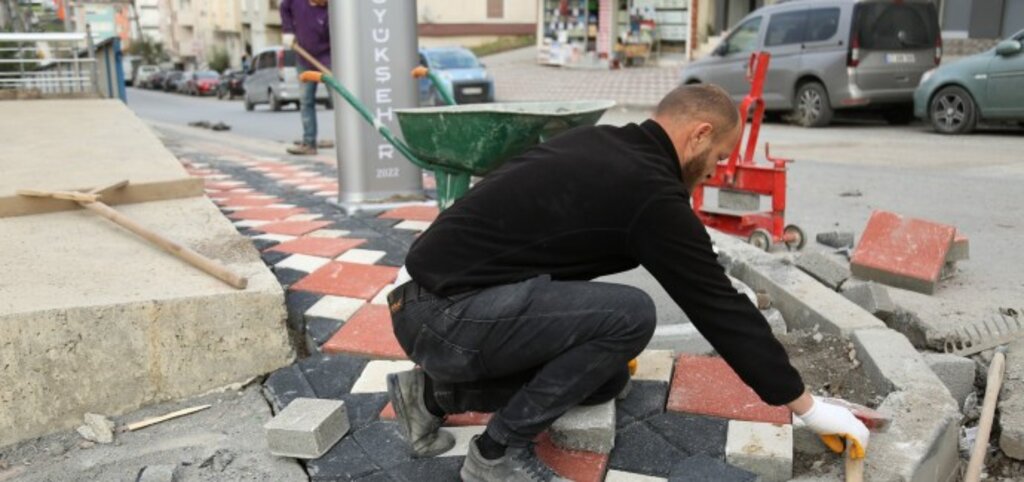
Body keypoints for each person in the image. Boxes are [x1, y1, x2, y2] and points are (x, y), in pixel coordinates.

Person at [385, 84, 870, 482]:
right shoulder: (650, 191)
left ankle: (431, 396)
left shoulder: (610, 147)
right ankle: (494, 455)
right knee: (632, 316)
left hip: (431, 300)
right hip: (441, 314)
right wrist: (808, 408)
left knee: (605, 377)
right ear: (699, 134)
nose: (714, 172)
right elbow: (720, 309)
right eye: (718, 157)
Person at [280, 0, 330, 156]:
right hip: (304, 58)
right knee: (306, 101)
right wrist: (288, 31)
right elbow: (284, 6)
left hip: (327, 58)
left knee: (339, 100)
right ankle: (309, 143)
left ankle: (349, 141)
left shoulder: (330, 11)